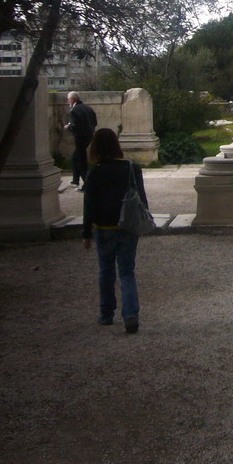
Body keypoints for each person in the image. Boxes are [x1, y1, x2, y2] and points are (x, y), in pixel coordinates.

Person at [82, 128, 148, 334]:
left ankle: (106, 313)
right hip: (127, 225)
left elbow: (89, 205)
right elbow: (142, 198)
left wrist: (86, 233)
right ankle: (130, 315)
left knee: (106, 270)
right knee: (127, 272)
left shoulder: (95, 172)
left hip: (104, 226)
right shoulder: (131, 167)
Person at [65, 91, 97, 191]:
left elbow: (75, 126)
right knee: (76, 157)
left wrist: (68, 127)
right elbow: (94, 122)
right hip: (89, 136)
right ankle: (75, 179)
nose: (68, 101)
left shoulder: (74, 110)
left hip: (80, 137)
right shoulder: (88, 108)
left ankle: (86, 184)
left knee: (81, 160)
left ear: (72, 99)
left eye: (68, 99)